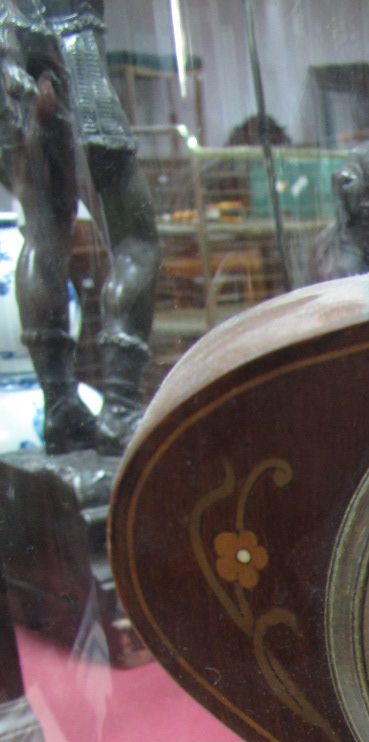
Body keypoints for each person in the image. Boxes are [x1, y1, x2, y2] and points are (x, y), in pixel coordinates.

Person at [0, 0, 159, 454]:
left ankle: (60, 405)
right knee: (137, 242)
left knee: (43, 237)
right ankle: (122, 407)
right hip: (73, 46)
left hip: (14, 53)